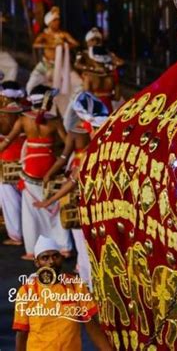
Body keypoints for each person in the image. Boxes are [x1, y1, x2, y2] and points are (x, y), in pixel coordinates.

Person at [34, 91, 109, 288]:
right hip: (104, 209)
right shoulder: (108, 148)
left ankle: (90, 287)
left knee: (86, 249)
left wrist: (48, 201)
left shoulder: (88, 153)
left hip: (89, 208)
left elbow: (71, 183)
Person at [0, 85, 72, 260]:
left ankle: (32, 250)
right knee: (54, 206)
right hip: (50, 166)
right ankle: (64, 247)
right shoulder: (54, 121)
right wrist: (63, 159)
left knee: (31, 213)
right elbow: (67, 143)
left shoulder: (24, 120)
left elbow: (8, 140)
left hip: (30, 168)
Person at [12, 235, 112, 351]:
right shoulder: (26, 291)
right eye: (45, 258)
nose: (51, 261)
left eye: (55, 256)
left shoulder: (76, 285)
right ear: (37, 262)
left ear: (61, 258)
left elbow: (91, 325)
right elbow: (22, 333)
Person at [73, 28, 124, 112]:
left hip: (106, 79)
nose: (95, 42)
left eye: (97, 40)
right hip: (88, 80)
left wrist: (111, 66)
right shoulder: (82, 53)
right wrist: (94, 69)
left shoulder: (106, 53)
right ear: (87, 42)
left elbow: (120, 62)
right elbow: (77, 65)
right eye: (92, 40)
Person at [0, 80, 26, 245]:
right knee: (23, 199)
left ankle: (16, 235)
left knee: (10, 200)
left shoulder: (3, 116)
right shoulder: (26, 114)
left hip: (6, 159)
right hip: (25, 158)